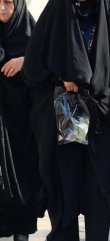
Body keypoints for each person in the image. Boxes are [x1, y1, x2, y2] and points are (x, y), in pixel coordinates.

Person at [22, 0, 110, 240]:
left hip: (102, 123)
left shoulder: (107, 19)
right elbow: (33, 69)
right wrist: (60, 76)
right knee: (65, 191)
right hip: (62, 119)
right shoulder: (55, 14)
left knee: (98, 193)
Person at [0, 0, 43, 240]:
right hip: (1, 127)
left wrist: (25, 61)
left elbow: (49, 63)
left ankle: (21, 233)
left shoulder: (31, 33)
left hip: (26, 128)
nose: (3, 9)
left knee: (24, 181)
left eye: (8, 3)